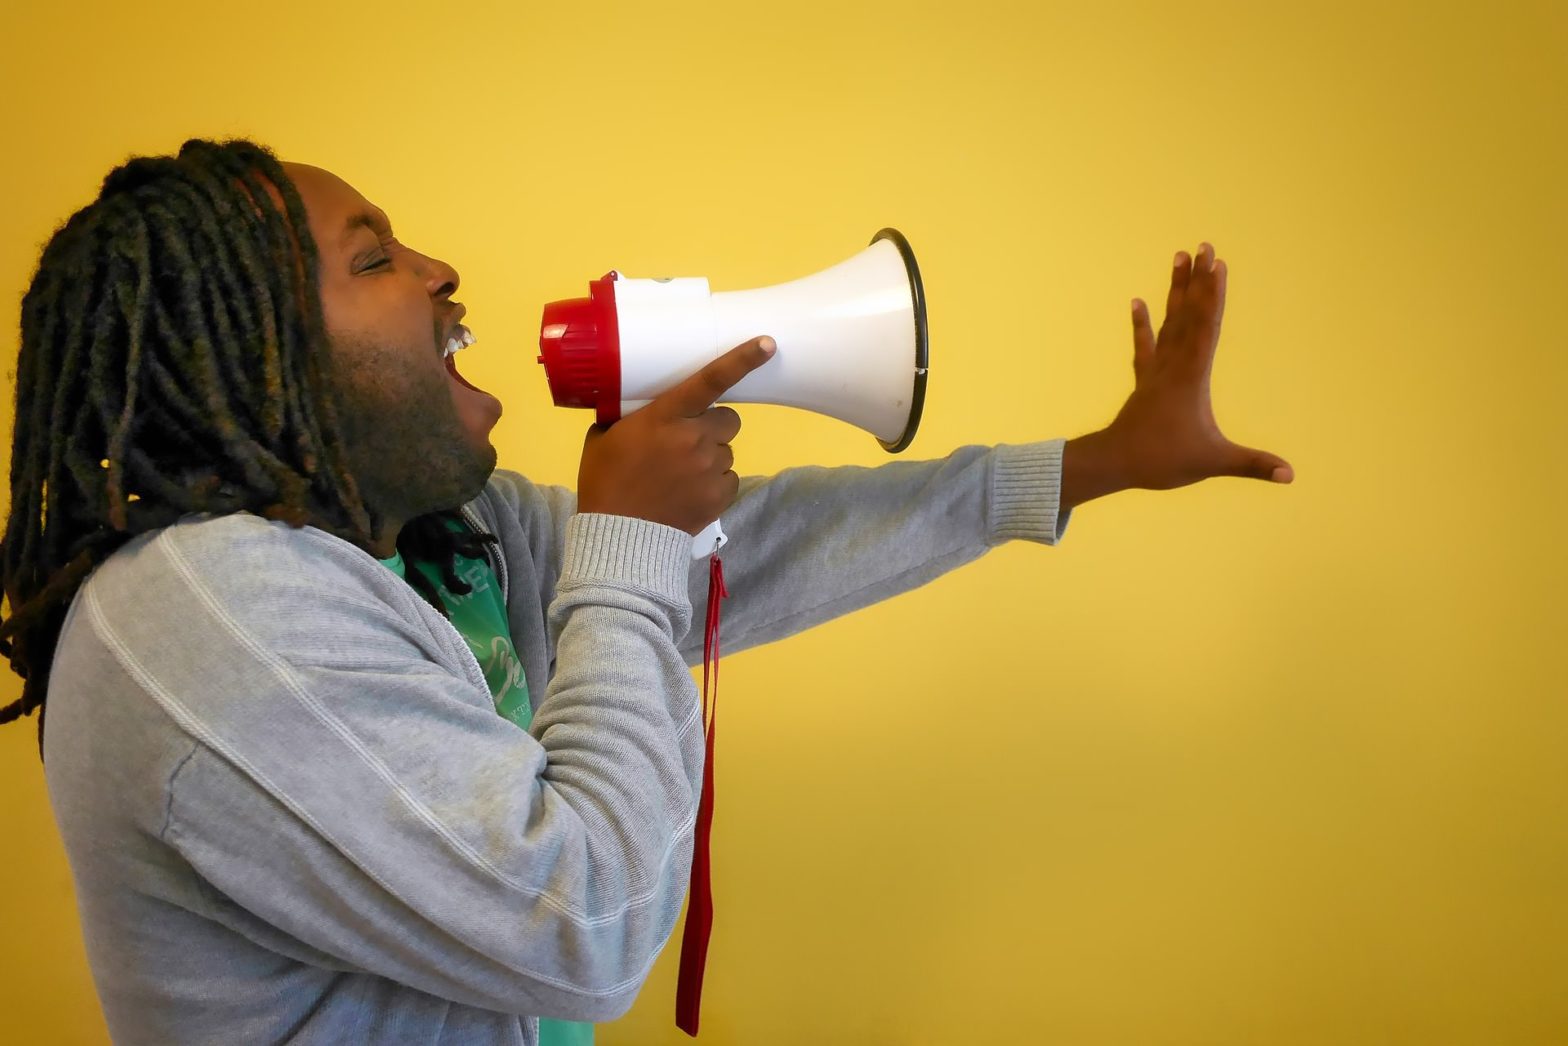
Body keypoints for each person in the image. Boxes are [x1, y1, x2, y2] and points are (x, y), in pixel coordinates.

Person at [0, 138, 1293, 1045]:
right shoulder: (208, 616)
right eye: (375, 256)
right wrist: (627, 536)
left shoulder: (432, 539)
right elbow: (585, 922)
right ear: (253, 344)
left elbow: (735, 552)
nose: (443, 268)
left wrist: (1094, 464)